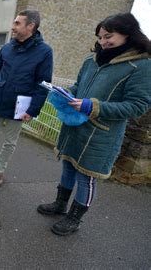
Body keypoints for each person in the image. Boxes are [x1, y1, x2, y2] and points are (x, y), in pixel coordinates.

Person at [37, 13, 151, 236]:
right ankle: (60, 204)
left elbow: (137, 106)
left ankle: (75, 218)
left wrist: (94, 107)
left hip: (101, 134)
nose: (103, 42)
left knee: (86, 177)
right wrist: (65, 94)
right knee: (68, 166)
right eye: (100, 37)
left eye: (109, 36)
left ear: (128, 34)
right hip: (74, 126)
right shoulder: (91, 60)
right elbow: (79, 86)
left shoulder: (142, 66)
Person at [0, 9, 53, 187]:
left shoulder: (44, 52)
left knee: (9, 142)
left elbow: (43, 84)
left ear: (30, 26)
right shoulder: (7, 47)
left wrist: (33, 110)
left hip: (19, 106)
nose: (13, 27)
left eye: (17, 23)